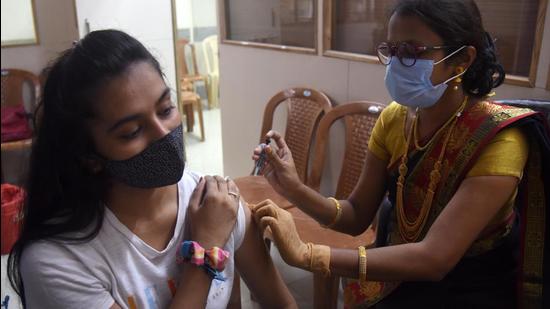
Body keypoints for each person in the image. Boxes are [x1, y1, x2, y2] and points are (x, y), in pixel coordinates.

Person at [251, 0, 549, 308]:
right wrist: (293, 187)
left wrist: (309, 254)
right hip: (399, 279)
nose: (395, 63)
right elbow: (355, 215)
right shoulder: (396, 120)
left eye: (411, 52)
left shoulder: (499, 139)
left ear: (461, 60)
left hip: (469, 289)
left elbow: (436, 258)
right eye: (391, 51)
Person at [7, 30, 296, 309]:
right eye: (132, 131)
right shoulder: (58, 260)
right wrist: (205, 251)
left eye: (166, 109)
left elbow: (282, 303)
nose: (163, 133)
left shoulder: (217, 205)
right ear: (89, 155)